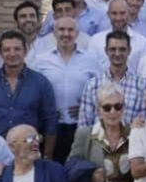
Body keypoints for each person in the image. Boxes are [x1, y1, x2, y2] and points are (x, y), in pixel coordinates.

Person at [0, 30, 59, 151]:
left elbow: (50, 121)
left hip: (28, 149)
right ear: (0, 53)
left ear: (25, 51)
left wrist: (48, 156)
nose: (12, 54)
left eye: (17, 49)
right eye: (6, 50)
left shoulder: (41, 83)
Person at [31, 14, 100, 163]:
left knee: (79, 169)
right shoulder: (41, 60)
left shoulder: (91, 59)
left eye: (70, 30)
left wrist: (86, 106)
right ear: (54, 32)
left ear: (77, 33)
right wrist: (46, 109)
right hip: (50, 127)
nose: (66, 34)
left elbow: (101, 90)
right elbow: (33, 91)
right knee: (52, 167)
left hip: (81, 126)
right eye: (61, 29)